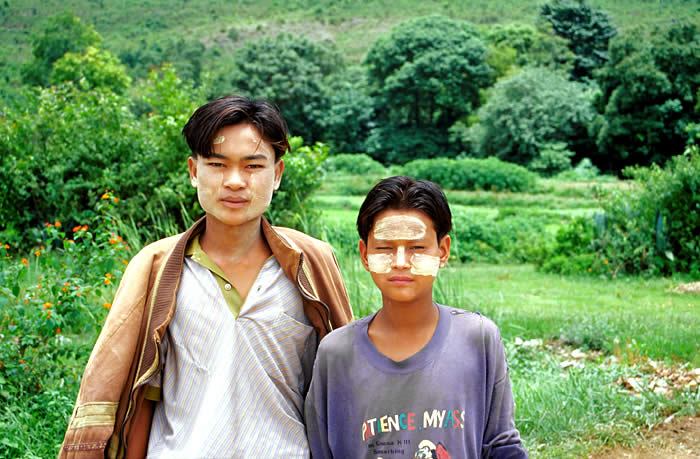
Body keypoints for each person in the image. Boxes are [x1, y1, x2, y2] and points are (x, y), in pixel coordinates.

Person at [60, 95, 353, 458]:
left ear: (276, 174)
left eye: (252, 166)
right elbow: (143, 394)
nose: (235, 181)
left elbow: (342, 386)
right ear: (194, 171)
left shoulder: (310, 263)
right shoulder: (158, 268)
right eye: (217, 164)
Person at [304, 175, 527, 459]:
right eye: (385, 248)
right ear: (364, 254)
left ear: (443, 251)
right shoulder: (336, 354)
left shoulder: (478, 338)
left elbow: (502, 444)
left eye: (417, 248)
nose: (400, 262)